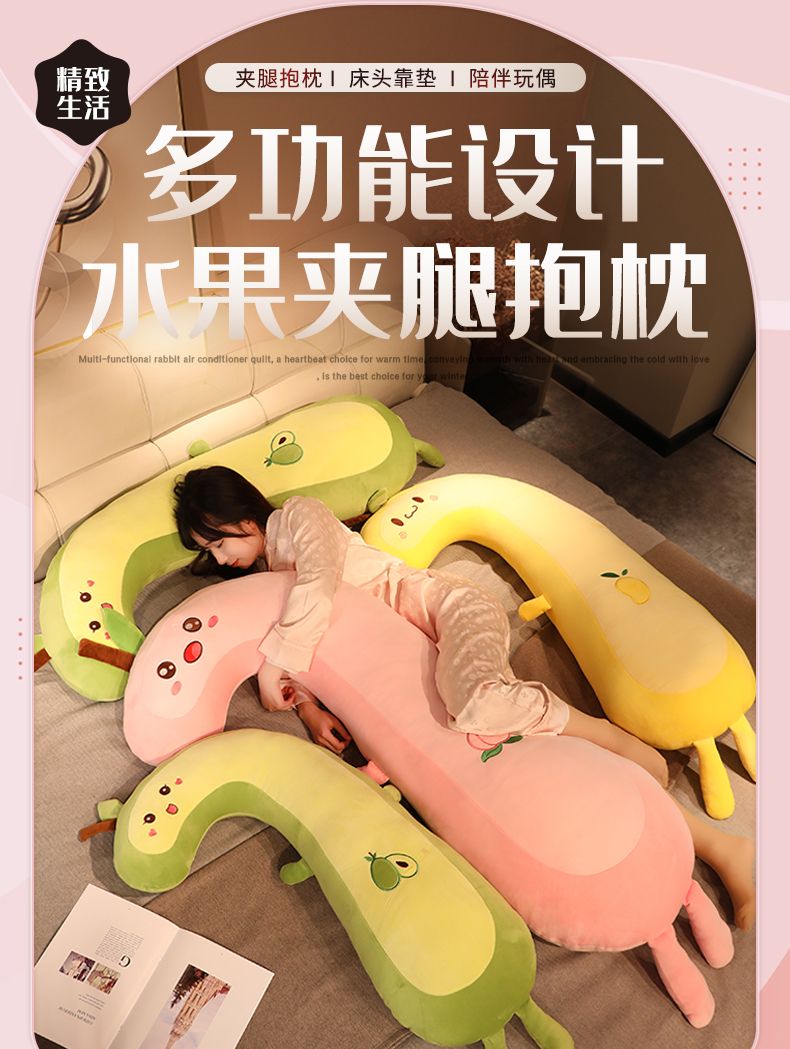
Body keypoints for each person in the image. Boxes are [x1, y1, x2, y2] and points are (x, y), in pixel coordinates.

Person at [173, 465, 755, 930]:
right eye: (207, 553)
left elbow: (319, 585)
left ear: (241, 517)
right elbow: (318, 653)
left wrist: (276, 663)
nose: (219, 560)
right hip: (415, 674)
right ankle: (717, 849)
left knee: (477, 703)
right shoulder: (266, 585)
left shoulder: (301, 518)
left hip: (448, 612)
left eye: (216, 542)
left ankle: (606, 735)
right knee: (515, 766)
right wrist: (308, 707)